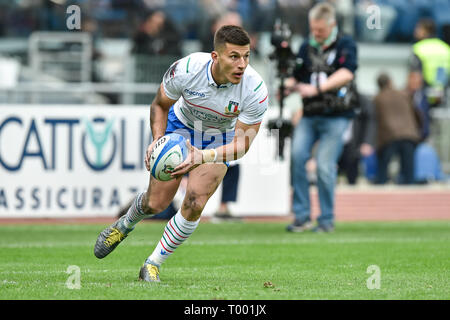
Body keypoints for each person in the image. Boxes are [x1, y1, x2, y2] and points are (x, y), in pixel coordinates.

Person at [94, 25, 269, 282]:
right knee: (156, 204)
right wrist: (157, 140)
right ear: (215, 57)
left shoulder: (255, 89)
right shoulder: (187, 69)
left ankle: (152, 264)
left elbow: (242, 145)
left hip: (218, 139)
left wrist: (203, 156)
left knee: (196, 201)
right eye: (234, 56)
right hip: (181, 127)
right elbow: (160, 104)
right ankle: (123, 225)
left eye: (246, 56)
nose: (242, 64)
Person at [284, 2, 358, 233]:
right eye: (313, 29)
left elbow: (346, 73)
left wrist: (317, 89)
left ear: (332, 25)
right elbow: (295, 76)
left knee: (325, 166)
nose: (316, 34)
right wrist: (288, 86)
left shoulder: (346, 44)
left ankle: (326, 219)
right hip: (309, 114)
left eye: (320, 30)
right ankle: (302, 216)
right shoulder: (306, 46)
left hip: (337, 115)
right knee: (297, 158)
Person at [373, 73, 421, 185]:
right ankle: (410, 192)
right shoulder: (404, 94)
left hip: (389, 135)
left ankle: (381, 190)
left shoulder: (377, 98)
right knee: (409, 170)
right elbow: (417, 114)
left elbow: (375, 120)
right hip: (409, 134)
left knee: (383, 167)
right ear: (390, 82)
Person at [408, 19, 450, 108]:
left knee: (424, 118)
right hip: (443, 90)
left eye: (418, 28)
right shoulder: (445, 48)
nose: (415, 31)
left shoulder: (419, 48)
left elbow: (415, 74)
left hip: (425, 91)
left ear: (426, 31)